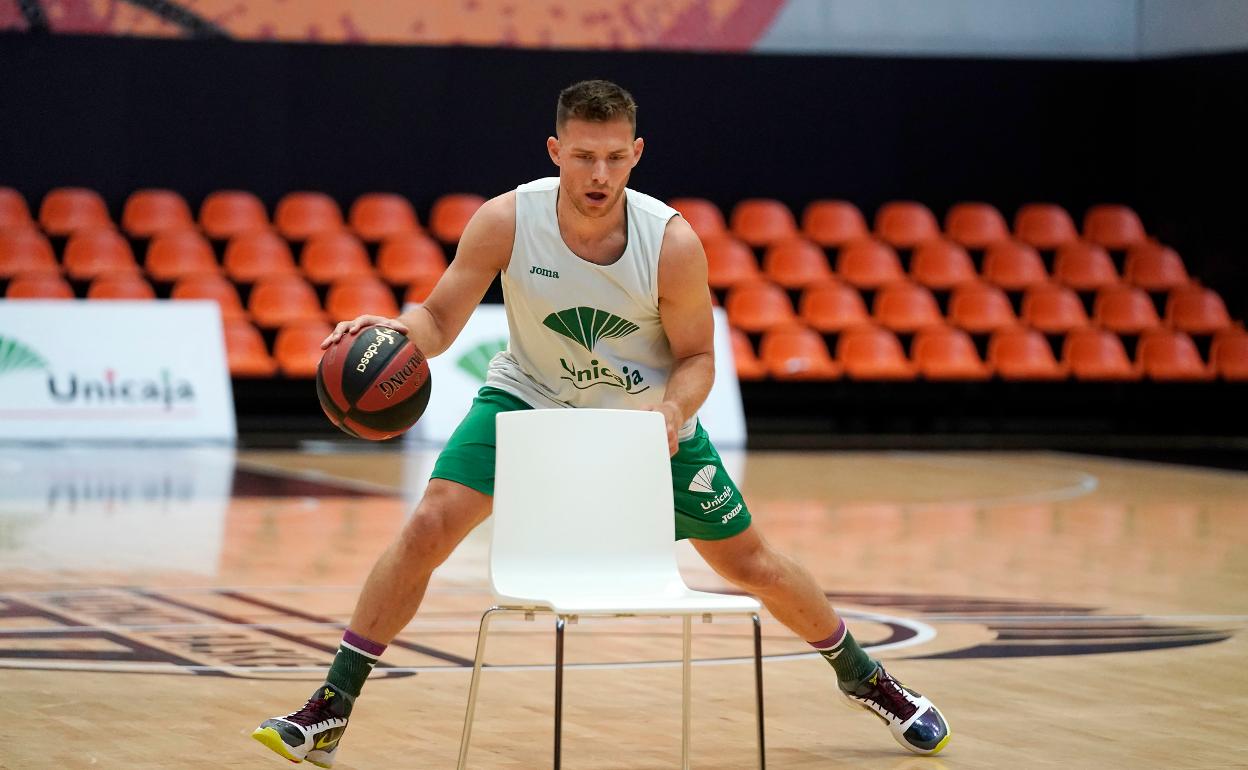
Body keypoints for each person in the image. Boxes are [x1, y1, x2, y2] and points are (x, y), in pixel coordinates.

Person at [252, 79, 949, 767]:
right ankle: (333, 707)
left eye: (614, 157)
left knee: (750, 562)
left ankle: (868, 680)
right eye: (584, 155)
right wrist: (394, 330)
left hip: (640, 419)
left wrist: (674, 410)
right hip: (528, 399)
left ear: (637, 153)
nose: (598, 173)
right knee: (429, 523)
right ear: (555, 150)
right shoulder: (507, 220)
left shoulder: (668, 240)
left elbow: (700, 357)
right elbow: (437, 319)